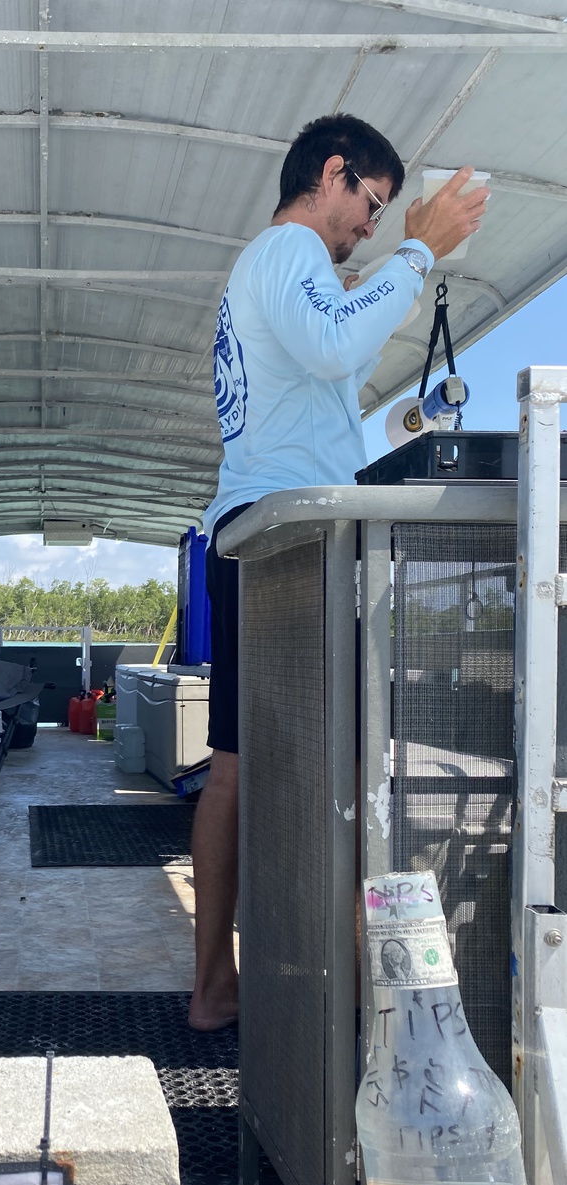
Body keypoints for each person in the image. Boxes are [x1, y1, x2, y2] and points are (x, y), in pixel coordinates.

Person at [188, 113, 489, 1031]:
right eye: (371, 203)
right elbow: (331, 348)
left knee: (241, 768)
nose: (371, 224)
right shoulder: (286, 256)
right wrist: (417, 257)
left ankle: (223, 984)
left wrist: (371, 275)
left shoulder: (274, 271)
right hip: (283, 542)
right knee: (300, 767)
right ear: (333, 173)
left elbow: (315, 357)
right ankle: (291, 986)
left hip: (253, 534)